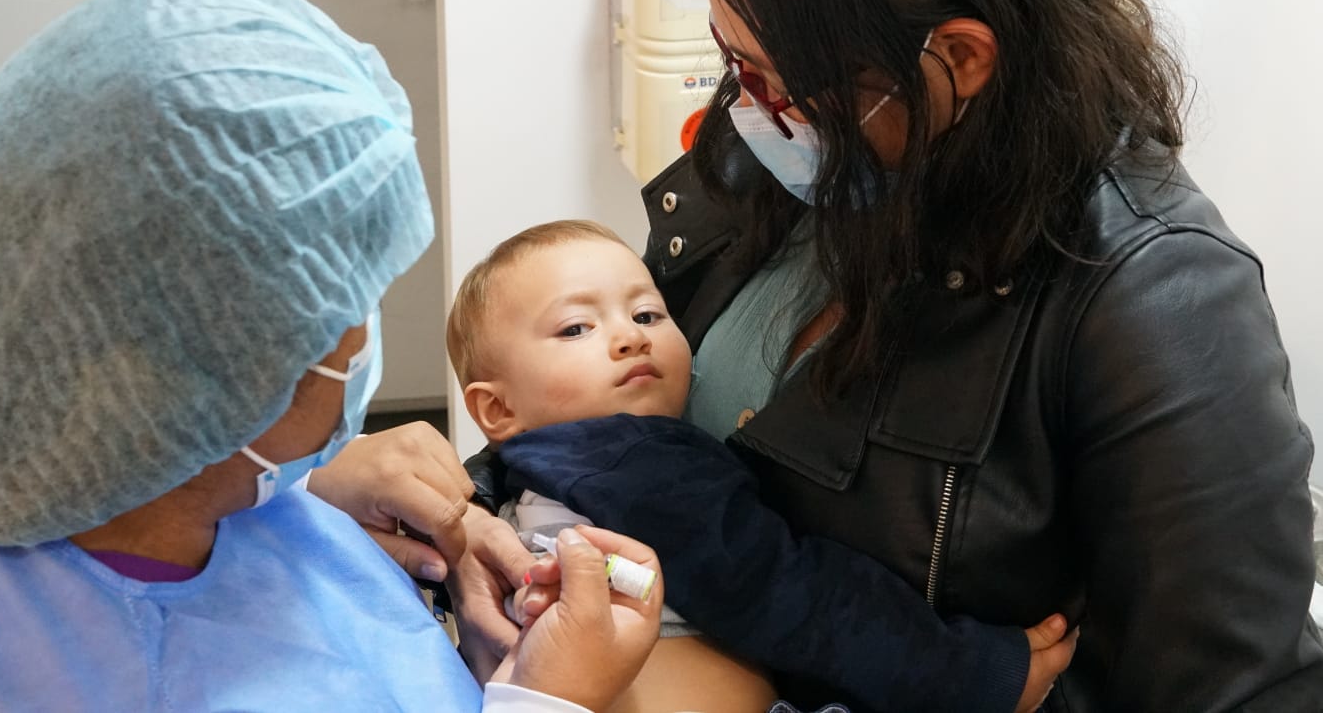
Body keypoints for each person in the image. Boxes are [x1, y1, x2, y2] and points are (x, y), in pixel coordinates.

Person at [455, 0, 1323, 710]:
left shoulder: (1158, 299)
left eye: (780, 80)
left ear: (957, 55)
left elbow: (1235, 691)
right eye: (732, 56)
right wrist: (474, 523)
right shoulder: (779, 147)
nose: (748, 104)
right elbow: (605, 432)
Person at [0, 0, 664, 713]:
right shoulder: (159, 680)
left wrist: (304, 482)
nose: (361, 338)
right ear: (215, 400)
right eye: (346, 301)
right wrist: (552, 699)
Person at [449, 219, 1073, 713]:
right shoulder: (634, 468)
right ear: (497, 408)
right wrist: (968, 674)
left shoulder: (534, 475)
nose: (630, 337)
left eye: (647, 314)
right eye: (577, 328)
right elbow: (794, 594)